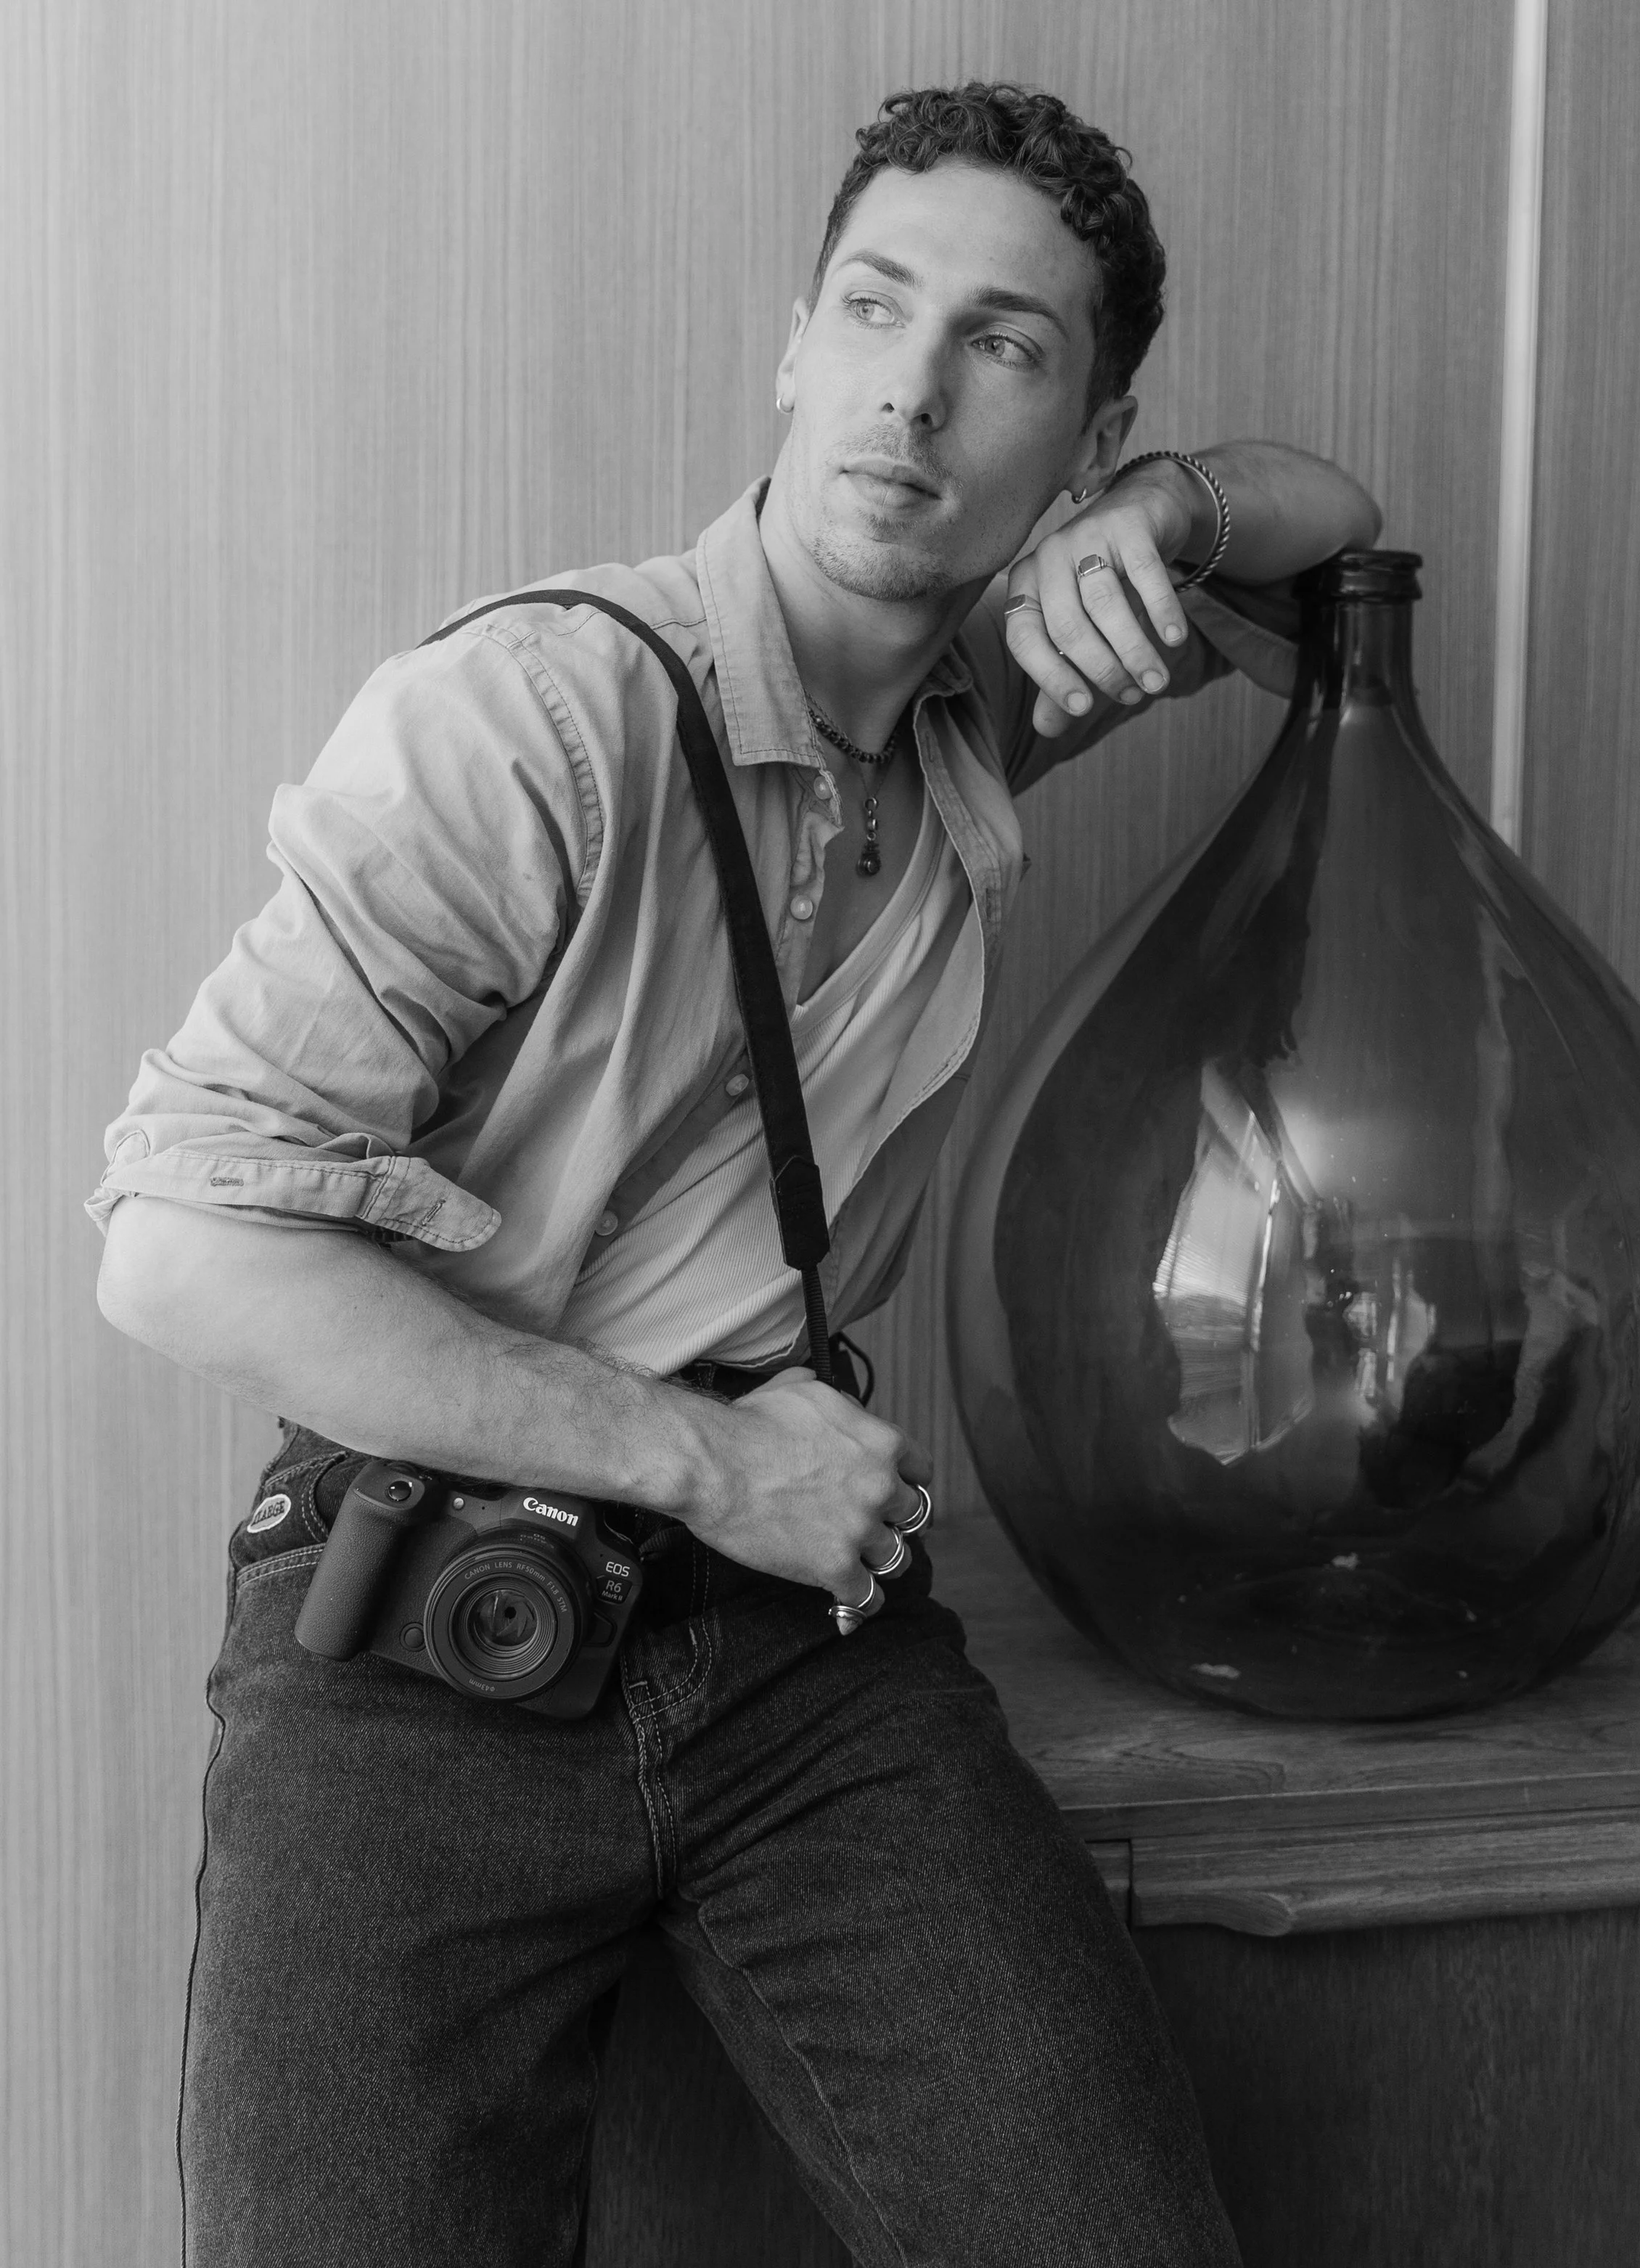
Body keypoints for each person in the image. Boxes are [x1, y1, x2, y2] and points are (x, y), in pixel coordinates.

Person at [94, 81, 1379, 2268]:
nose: (911, 388)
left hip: (808, 1657)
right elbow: (177, 1248)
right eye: (873, 306)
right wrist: (700, 1462)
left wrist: (1156, 520)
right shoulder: (533, 717)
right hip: (422, 1635)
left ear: (1077, 423)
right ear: (792, 343)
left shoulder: (975, 700)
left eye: (1004, 342)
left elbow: (1330, 512)